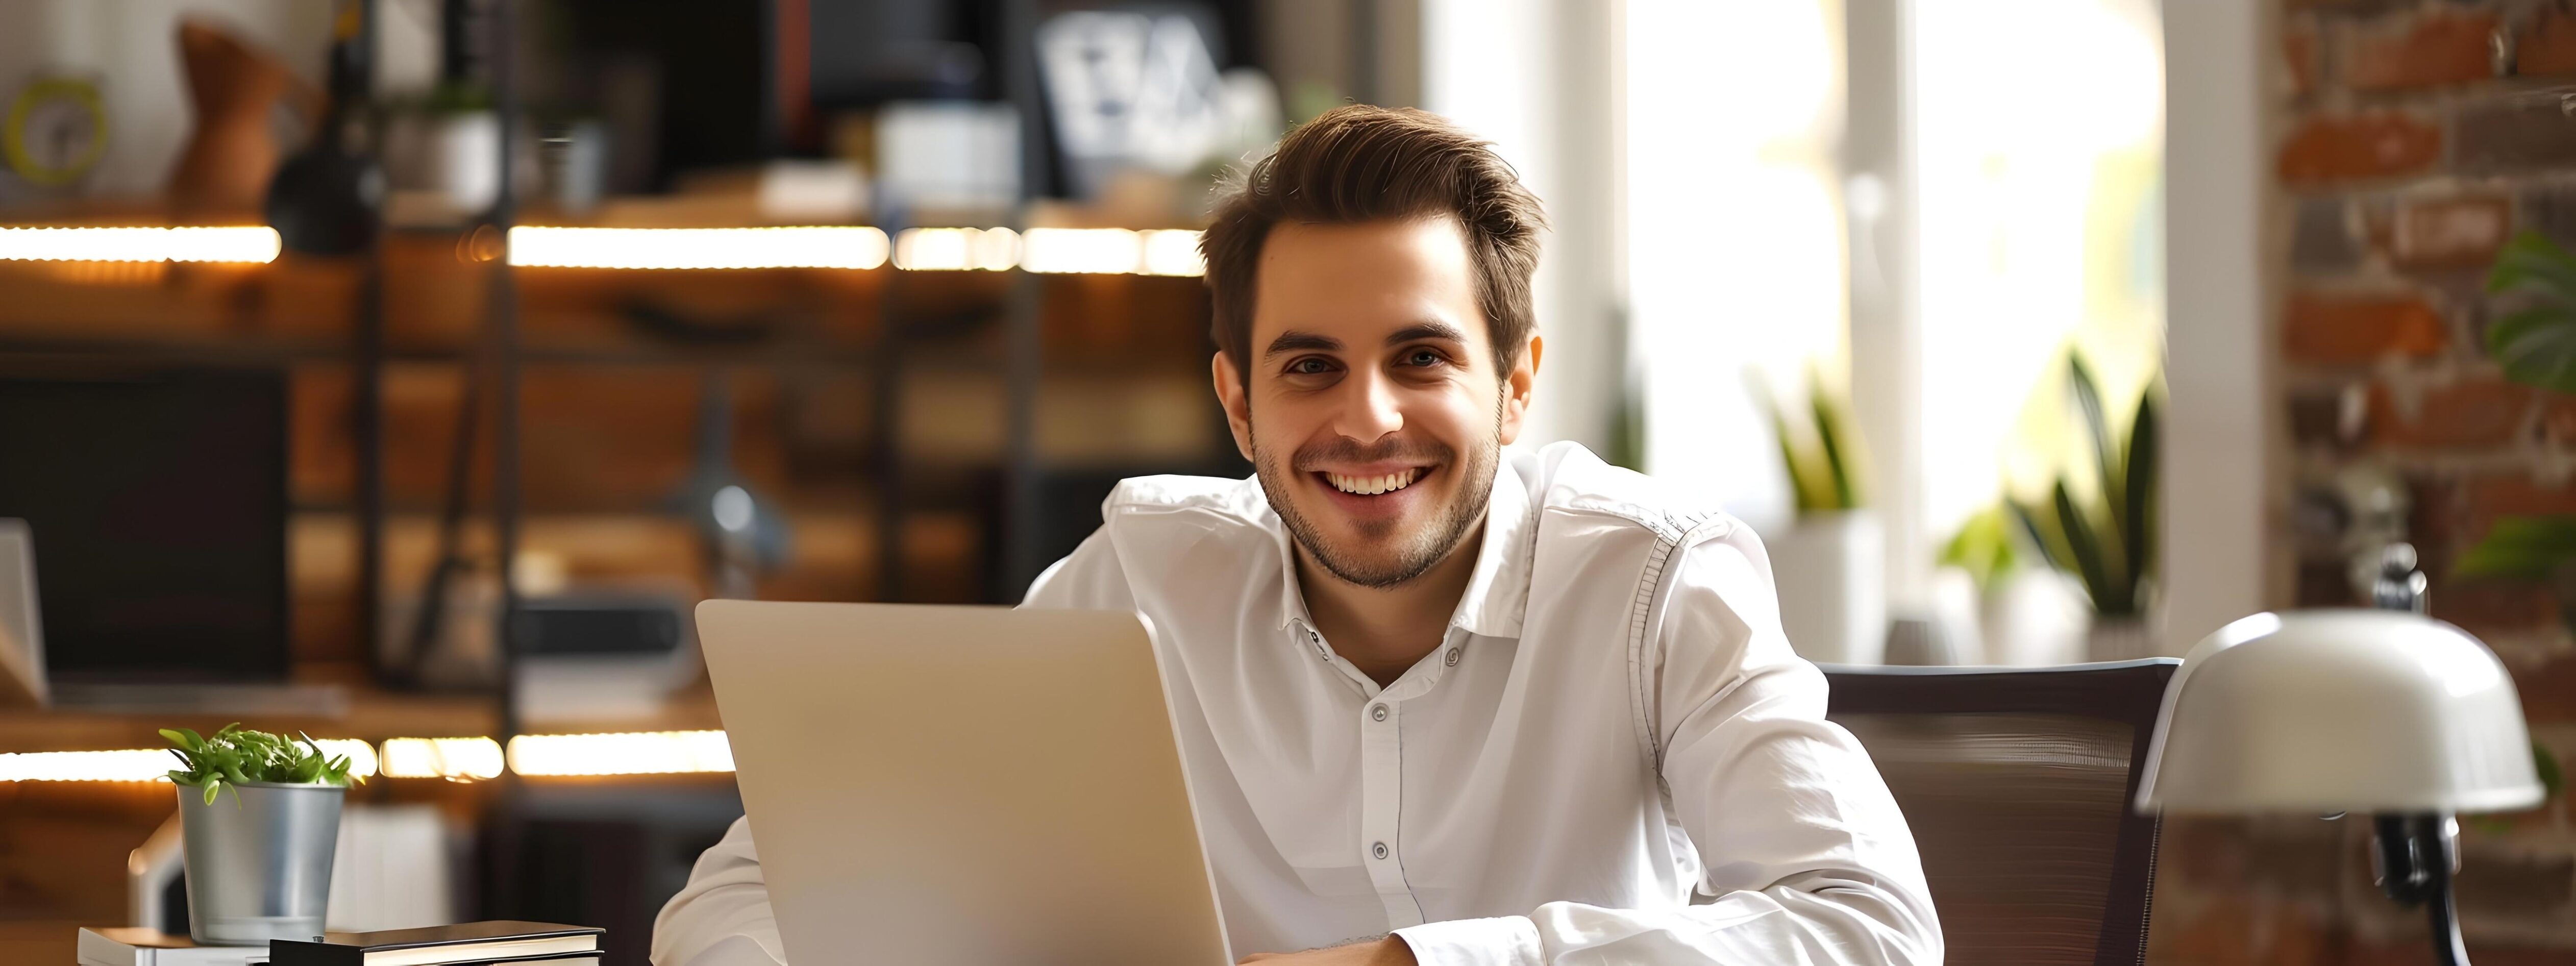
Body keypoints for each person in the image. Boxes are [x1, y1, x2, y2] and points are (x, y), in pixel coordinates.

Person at [652, 105, 1940, 966]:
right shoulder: (1134, 580)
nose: (1365, 418)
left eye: (1421, 355)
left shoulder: (1659, 576)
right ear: (1237, 401)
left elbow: (1872, 929)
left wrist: (1408, 963)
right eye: (1310, 364)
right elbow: (743, 895)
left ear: (1517, 378)